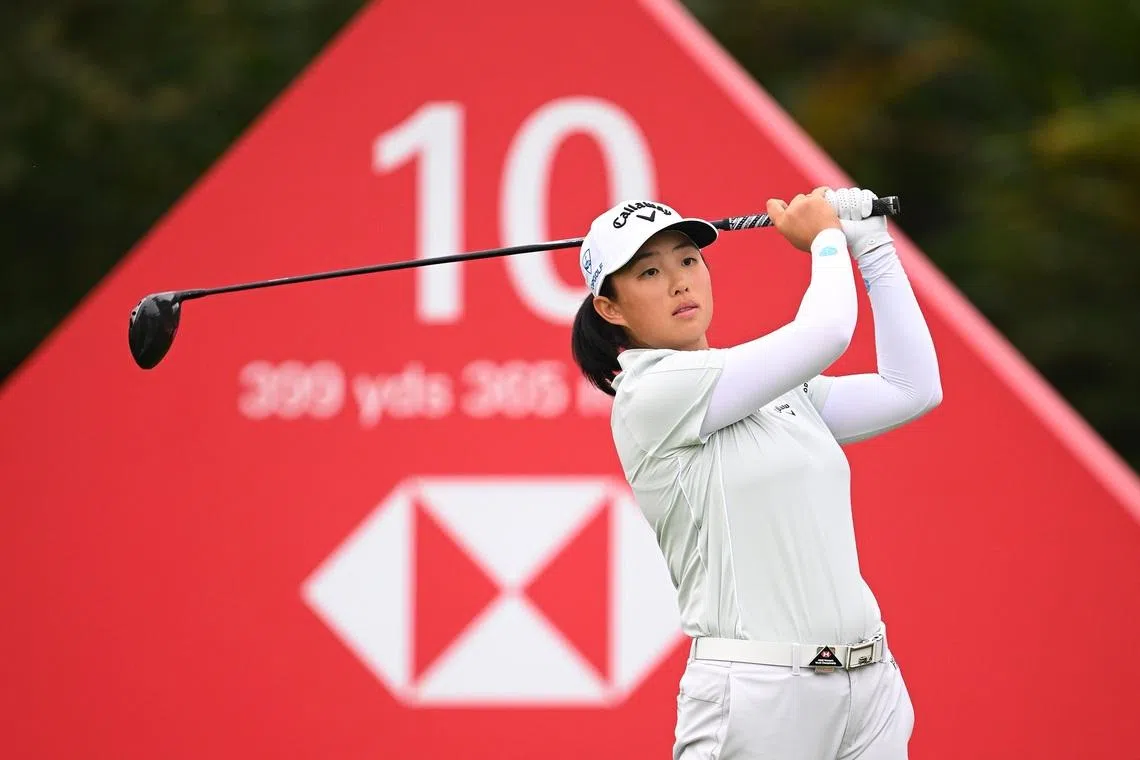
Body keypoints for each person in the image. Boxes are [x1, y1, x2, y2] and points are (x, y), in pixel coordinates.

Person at [570, 187, 942, 759]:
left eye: (689, 261)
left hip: (871, 688)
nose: (679, 283)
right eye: (648, 272)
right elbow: (826, 335)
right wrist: (823, 240)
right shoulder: (649, 393)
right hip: (757, 698)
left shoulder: (778, 391)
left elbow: (911, 390)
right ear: (610, 309)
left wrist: (872, 248)